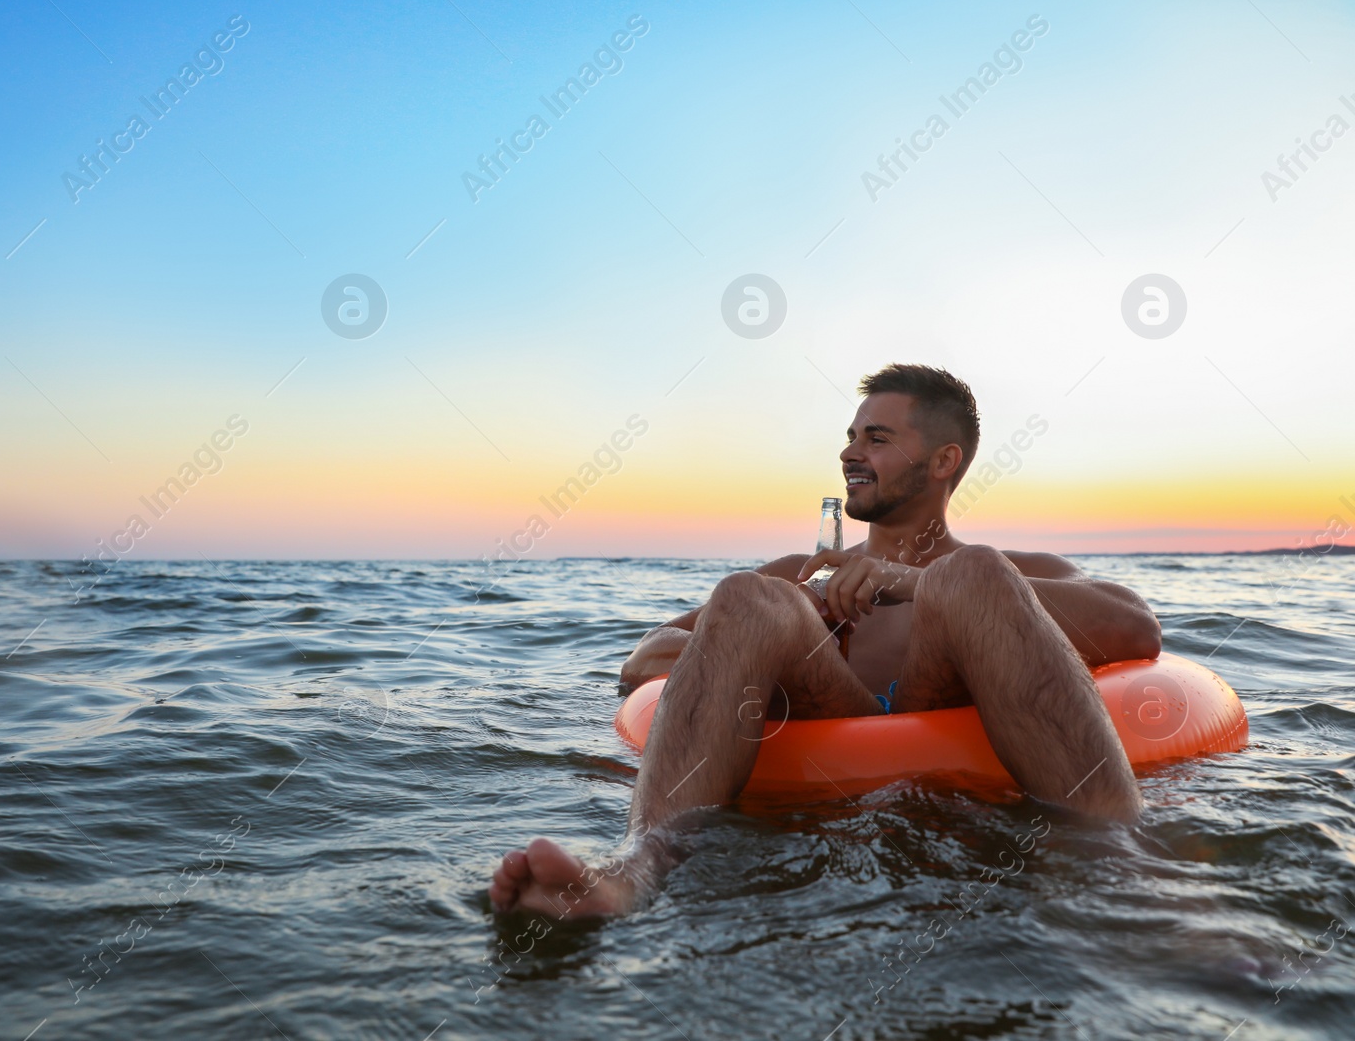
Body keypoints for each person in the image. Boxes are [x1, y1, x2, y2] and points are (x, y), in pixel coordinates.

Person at [488, 364, 1161, 918]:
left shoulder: (1006, 570)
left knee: (974, 572)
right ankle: (633, 873)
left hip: (957, 746)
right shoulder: (796, 577)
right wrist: (800, 626)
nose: (849, 451)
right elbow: (645, 659)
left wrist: (911, 581)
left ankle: (1127, 880)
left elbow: (1134, 625)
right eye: (850, 436)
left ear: (942, 460)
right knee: (746, 597)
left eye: (876, 437)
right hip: (826, 729)